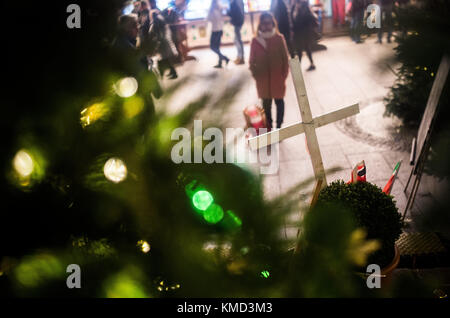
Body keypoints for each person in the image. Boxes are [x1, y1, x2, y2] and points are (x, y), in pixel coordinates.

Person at [249, 12, 290, 130]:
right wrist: (256, 75)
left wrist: (284, 75)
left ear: (273, 24)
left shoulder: (279, 38)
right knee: (266, 106)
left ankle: (279, 126)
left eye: (269, 23)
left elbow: (285, 59)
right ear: (260, 25)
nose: (266, 26)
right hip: (262, 81)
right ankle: (269, 127)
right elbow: (251, 62)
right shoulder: (255, 41)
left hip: (278, 78)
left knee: (279, 103)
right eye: (264, 23)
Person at [148, 0, 179, 79]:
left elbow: (156, 30)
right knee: (166, 58)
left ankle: (171, 73)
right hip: (164, 39)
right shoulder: (159, 16)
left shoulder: (157, 18)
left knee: (165, 58)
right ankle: (172, 72)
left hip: (163, 40)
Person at [291, 0, 318, 71]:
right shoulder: (294, 7)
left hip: (304, 33)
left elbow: (310, 18)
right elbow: (293, 19)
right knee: (304, 48)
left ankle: (298, 68)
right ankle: (311, 64)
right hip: (298, 33)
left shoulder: (304, 7)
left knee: (300, 49)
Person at [207, 0, 230, 68]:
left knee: (213, 47)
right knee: (216, 47)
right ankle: (220, 63)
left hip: (216, 31)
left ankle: (225, 58)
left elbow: (208, 19)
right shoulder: (219, 9)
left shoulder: (213, 10)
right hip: (219, 30)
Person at [228, 0, 245, 64]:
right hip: (238, 21)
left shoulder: (236, 2)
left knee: (238, 40)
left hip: (238, 22)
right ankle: (239, 57)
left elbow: (234, 12)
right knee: (236, 40)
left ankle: (241, 58)